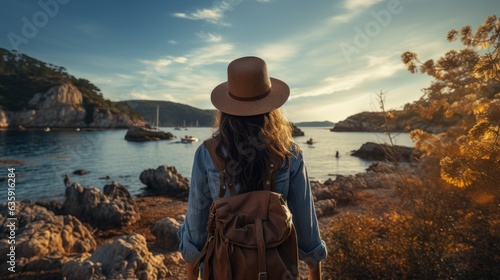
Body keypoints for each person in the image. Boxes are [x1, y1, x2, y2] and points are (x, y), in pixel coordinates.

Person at [178, 56, 327, 279]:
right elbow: (306, 224)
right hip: (278, 270)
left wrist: (192, 273)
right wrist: (314, 270)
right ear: (272, 108)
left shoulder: (207, 154)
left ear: (226, 109)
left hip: (224, 269)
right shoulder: (289, 154)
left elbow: (196, 225)